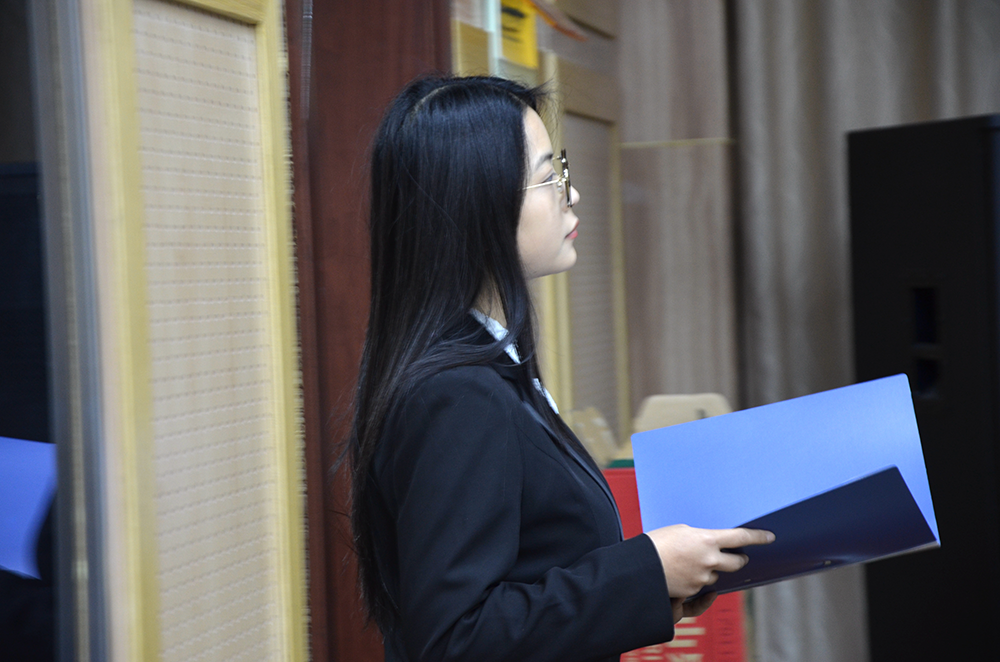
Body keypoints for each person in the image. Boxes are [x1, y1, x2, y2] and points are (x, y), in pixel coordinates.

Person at [348, 75, 774, 662]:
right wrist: (647, 571)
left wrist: (658, 587)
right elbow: (455, 641)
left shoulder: (488, 366)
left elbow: (533, 580)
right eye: (548, 177)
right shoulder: (456, 394)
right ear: (477, 201)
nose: (571, 194)